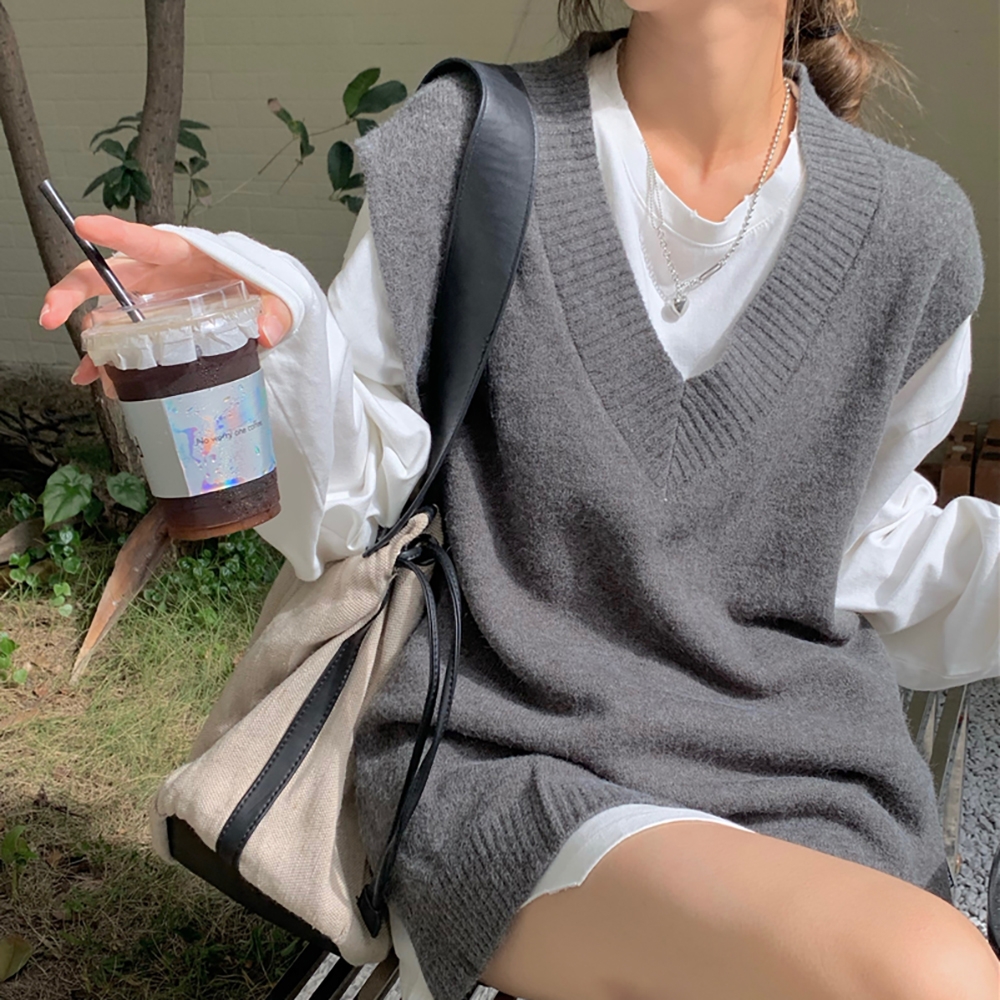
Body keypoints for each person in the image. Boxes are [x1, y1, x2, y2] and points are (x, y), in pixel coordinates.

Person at [41, 1, 1000, 998]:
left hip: (804, 780)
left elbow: (866, 541)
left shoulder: (911, 234)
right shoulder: (470, 148)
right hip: (504, 755)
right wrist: (270, 341)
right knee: (928, 977)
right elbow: (356, 502)